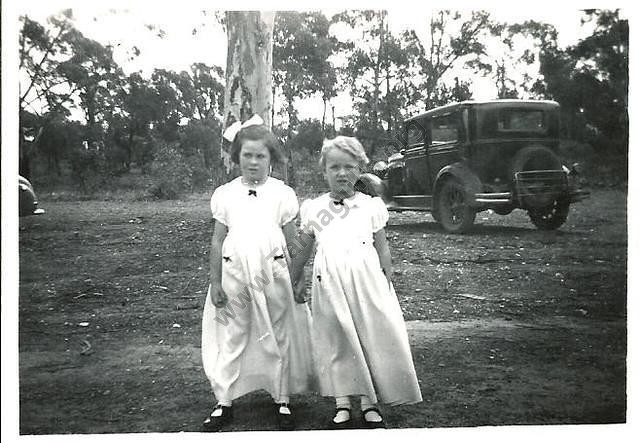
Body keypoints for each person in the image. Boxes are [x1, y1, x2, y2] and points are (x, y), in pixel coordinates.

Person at [290, 136, 422, 429]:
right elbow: (302, 248)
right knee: (337, 341)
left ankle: (369, 402)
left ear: (359, 169)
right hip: (330, 281)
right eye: (334, 167)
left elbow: (382, 247)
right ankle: (342, 402)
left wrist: (387, 277)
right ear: (324, 171)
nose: (342, 173)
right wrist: (295, 278)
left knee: (367, 337)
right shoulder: (316, 209)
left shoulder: (370, 206)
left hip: (366, 281)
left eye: (349, 167)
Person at [201, 115, 313, 432]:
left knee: (277, 332)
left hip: (272, 274)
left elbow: (293, 240)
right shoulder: (225, 194)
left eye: (260, 155)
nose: (253, 162)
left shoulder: (282, 194)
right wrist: (215, 280)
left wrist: (299, 273)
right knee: (233, 334)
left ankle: (281, 399)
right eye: (247, 155)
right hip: (234, 273)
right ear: (237, 157)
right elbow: (218, 239)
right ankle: (224, 402)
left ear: (271, 158)